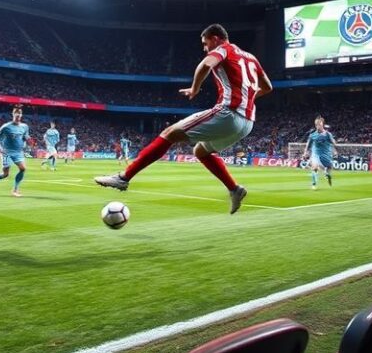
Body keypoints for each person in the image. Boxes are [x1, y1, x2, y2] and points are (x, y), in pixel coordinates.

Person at [95, 23, 272, 214]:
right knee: (201, 151)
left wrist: (195, 88)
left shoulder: (224, 49)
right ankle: (235, 189)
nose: (205, 49)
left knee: (168, 133)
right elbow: (268, 87)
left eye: (205, 44)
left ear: (215, 38)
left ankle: (123, 178)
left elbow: (205, 64)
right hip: (247, 123)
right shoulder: (251, 58)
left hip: (228, 114)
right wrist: (248, 99)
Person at [0, 105, 30, 197]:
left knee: (23, 169)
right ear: (13, 114)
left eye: (20, 113)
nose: (18, 115)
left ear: (21, 115)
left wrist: (27, 140)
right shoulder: (6, 126)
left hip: (18, 152)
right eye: (16, 113)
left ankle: (15, 190)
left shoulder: (25, 127)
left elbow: (25, 137)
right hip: (7, 152)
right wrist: (0, 146)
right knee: (5, 174)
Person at [303, 116, 338, 190]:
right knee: (314, 167)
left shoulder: (328, 134)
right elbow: (308, 145)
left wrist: (335, 149)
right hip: (316, 154)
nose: (318, 126)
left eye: (319, 124)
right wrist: (305, 152)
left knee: (330, 167)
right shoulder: (312, 135)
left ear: (322, 125)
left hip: (326, 154)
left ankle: (327, 174)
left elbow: (333, 143)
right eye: (316, 124)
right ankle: (314, 184)